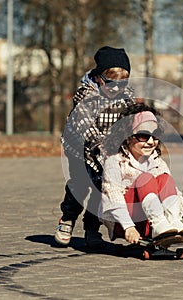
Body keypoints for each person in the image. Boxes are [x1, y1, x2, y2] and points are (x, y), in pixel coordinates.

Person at [55, 46, 137, 248]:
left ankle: (92, 228)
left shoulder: (126, 96)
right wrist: (103, 147)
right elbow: (86, 129)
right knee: (81, 185)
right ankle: (67, 218)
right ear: (99, 77)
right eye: (111, 82)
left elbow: (132, 119)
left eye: (122, 83)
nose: (117, 88)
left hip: (109, 151)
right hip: (80, 149)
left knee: (103, 188)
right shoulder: (85, 96)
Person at [100, 103, 183, 245]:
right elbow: (112, 196)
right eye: (143, 136)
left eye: (155, 136)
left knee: (165, 178)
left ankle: (172, 222)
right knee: (146, 179)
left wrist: (175, 216)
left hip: (153, 222)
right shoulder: (115, 161)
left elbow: (174, 192)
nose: (150, 142)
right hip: (126, 221)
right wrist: (128, 227)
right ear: (127, 136)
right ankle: (159, 223)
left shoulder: (157, 162)